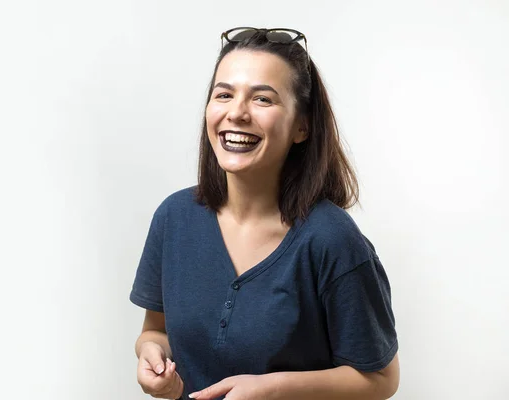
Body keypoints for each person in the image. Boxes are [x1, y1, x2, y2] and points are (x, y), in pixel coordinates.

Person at [129, 27, 400, 400]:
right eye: (223, 94)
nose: (236, 113)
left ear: (301, 127)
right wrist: (151, 355)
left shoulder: (333, 240)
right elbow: (155, 331)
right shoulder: (173, 218)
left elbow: (382, 379)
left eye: (262, 100)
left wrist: (273, 389)